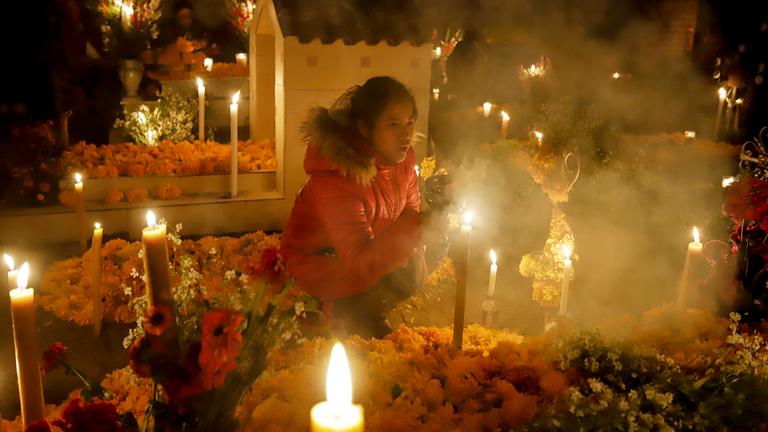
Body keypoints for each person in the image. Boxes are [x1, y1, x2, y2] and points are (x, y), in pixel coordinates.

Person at [282, 77, 451, 338]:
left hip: (367, 251)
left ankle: (370, 309)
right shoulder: (337, 179)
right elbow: (361, 264)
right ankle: (345, 313)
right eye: (393, 124)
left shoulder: (402, 159)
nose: (406, 134)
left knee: (435, 244)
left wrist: (428, 225)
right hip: (322, 263)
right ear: (364, 128)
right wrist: (418, 229)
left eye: (409, 123)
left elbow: (411, 208)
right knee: (407, 263)